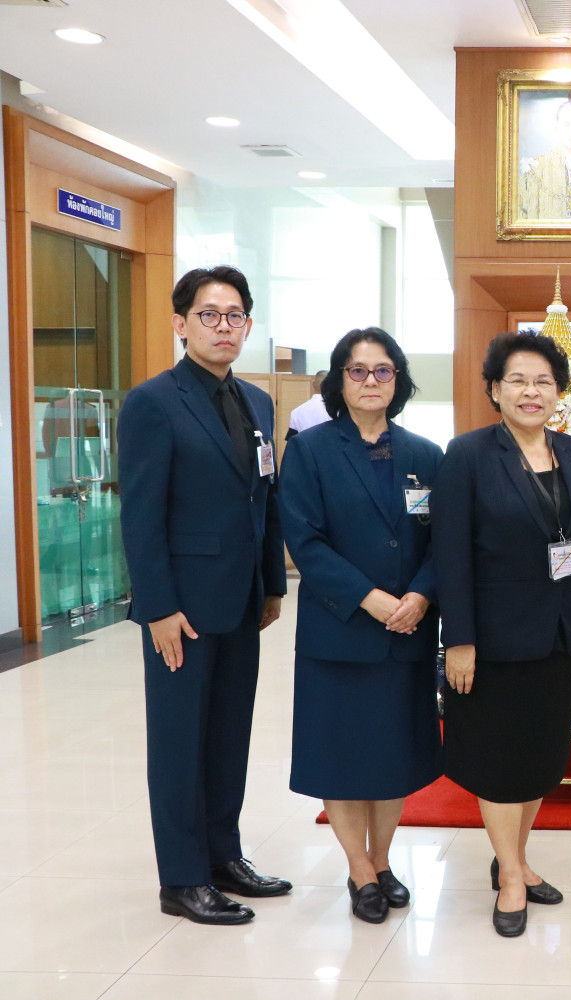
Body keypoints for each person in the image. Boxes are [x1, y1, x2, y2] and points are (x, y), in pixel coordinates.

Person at [432, 330, 571, 938]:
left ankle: (513, 859)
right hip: (492, 640)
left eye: (543, 381)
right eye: (517, 380)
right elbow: (450, 554)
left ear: (559, 392)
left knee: (540, 758)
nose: (530, 392)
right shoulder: (467, 455)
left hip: (560, 636)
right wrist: (459, 638)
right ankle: (514, 878)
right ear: (495, 389)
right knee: (498, 760)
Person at [117, 266, 291, 925]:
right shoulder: (153, 403)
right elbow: (141, 514)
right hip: (181, 608)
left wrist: (272, 583)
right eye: (210, 314)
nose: (224, 327)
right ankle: (183, 877)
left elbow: (263, 497)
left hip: (241, 601)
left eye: (235, 316)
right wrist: (157, 607)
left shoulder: (256, 401)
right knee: (179, 741)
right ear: (180, 322)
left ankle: (224, 856)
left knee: (228, 736)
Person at [279, 329, 442, 924]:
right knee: (343, 756)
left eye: (382, 371)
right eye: (357, 371)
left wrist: (422, 594)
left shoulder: (426, 454)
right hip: (341, 629)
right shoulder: (311, 450)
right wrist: (370, 599)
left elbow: (441, 541)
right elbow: (305, 540)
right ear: (338, 380)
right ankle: (358, 870)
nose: (370, 381)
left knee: (392, 755)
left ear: (398, 380)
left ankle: (383, 859)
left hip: (409, 630)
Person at [285, 371, 332, 442]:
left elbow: (291, 442)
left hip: (304, 451)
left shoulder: (296, 412)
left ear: (312, 384)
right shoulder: (337, 411)